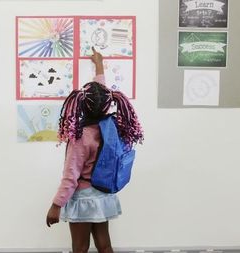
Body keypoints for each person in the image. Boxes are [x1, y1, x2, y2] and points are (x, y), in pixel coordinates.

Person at [45, 47, 144, 253]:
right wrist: (99, 64)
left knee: (80, 248)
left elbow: (71, 177)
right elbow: (100, 94)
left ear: (80, 104)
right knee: (104, 244)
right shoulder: (110, 126)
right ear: (107, 104)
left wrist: (56, 205)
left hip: (84, 198)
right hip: (103, 194)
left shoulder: (81, 137)